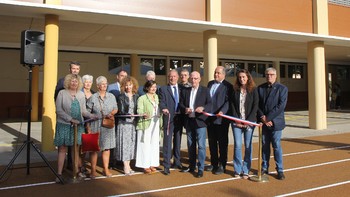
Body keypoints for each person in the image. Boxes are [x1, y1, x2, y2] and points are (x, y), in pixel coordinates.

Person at [54, 74, 95, 182]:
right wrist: (70, 119)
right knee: (62, 149)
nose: (74, 83)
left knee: (75, 149)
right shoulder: (62, 93)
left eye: (76, 82)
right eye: (72, 81)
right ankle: (59, 173)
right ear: (68, 82)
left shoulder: (81, 94)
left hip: (78, 126)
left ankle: (76, 171)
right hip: (64, 125)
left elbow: (83, 110)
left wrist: (91, 115)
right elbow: (58, 110)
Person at [257, 67, 288, 180]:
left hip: (276, 123)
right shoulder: (260, 88)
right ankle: (264, 167)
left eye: (271, 74)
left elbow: (281, 106)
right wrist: (263, 118)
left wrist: (269, 118)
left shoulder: (282, 88)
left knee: (276, 146)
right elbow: (257, 105)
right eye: (267, 74)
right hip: (264, 123)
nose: (269, 76)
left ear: (275, 76)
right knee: (264, 145)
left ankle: (279, 170)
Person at [180, 71, 212, 178]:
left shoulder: (205, 90)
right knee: (190, 144)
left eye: (195, 78)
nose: (193, 80)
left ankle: (201, 168)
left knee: (201, 146)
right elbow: (181, 104)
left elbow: (210, 104)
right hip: (189, 121)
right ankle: (192, 165)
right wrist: (185, 109)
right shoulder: (186, 91)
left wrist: (203, 108)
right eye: (192, 78)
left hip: (200, 122)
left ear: (199, 79)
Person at [87, 76, 118, 178]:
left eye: (105, 83)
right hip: (95, 125)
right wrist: (88, 128)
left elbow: (116, 108)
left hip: (108, 126)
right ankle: (93, 171)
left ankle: (106, 169)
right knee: (94, 149)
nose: (104, 85)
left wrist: (111, 113)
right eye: (102, 83)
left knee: (107, 149)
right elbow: (87, 112)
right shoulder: (93, 97)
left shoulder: (111, 96)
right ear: (98, 86)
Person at [230, 69, 259, 179]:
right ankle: (238, 169)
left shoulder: (254, 90)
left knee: (248, 146)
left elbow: (255, 106)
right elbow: (232, 105)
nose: (242, 79)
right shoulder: (235, 90)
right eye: (240, 77)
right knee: (237, 145)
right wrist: (237, 120)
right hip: (236, 122)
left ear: (248, 78)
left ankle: (246, 169)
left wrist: (248, 121)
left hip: (249, 123)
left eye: (243, 77)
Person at [206, 66, 233, 174]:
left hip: (221, 120)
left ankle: (222, 164)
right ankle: (214, 163)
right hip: (210, 118)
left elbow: (228, 102)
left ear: (223, 75)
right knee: (212, 142)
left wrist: (222, 112)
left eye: (218, 73)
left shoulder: (228, 86)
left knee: (222, 143)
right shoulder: (210, 84)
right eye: (215, 73)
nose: (216, 75)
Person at [54, 61, 81, 171]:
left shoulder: (80, 86)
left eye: (77, 69)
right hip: (64, 122)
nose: (75, 70)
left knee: (75, 149)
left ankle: (74, 168)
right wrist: (67, 117)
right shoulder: (62, 83)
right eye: (73, 68)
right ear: (70, 69)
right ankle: (61, 170)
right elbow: (57, 101)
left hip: (76, 125)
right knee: (63, 148)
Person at [159, 70, 183, 175]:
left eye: (174, 76)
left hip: (179, 118)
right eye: (170, 76)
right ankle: (166, 165)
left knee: (178, 140)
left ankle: (177, 161)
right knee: (167, 142)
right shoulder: (163, 89)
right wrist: (163, 108)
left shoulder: (182, 88)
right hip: (168, 118)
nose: (172, 78)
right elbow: (162, 101)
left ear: (177, 77)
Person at [135, 80, 162, 174]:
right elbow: (139, 110)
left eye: (155, 86)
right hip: (145, 123)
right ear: (147, 88)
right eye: (152, 86)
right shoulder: (142, 98)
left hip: (156, 122)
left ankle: (153, 163)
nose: (154, 88)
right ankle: (145, 165)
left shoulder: (157, 97)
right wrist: (143, 114)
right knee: (144, 144)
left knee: (154, 144)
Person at [115, 76, 139, 175]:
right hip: (124, 124)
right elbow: (121, 111)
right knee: (124, 144)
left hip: (133, 124)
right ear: (123, 86)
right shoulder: (121, 96)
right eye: (126, 85)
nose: (128, 87)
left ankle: (129, 165)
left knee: (131, 145)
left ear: (133, 85)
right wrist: (128, 115)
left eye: (130, 85)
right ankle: (125, 166)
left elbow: (138, 109)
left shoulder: (136, 96)